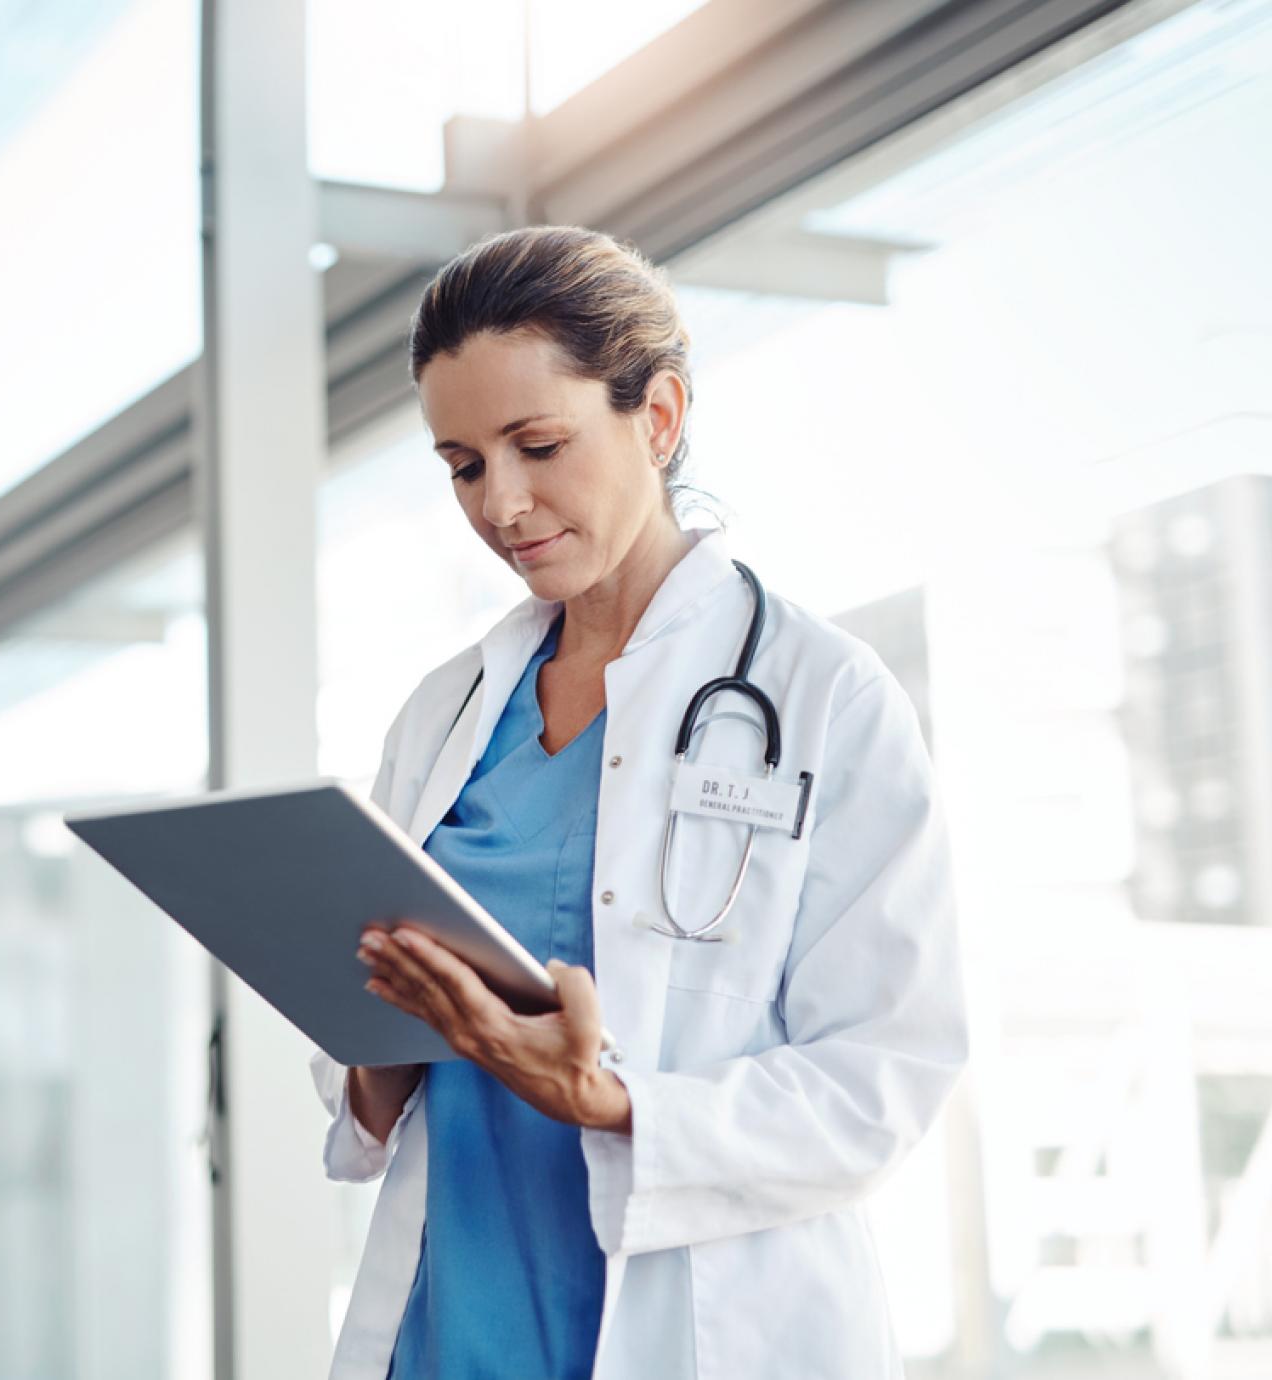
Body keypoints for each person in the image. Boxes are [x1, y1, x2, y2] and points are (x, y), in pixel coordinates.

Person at [308, 225, 969, 1378]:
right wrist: (384, 1046)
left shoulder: (820, 696)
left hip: (704, 1331)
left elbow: (884, 1076)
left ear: (656, 417)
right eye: (463, 465)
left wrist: (611, 1102)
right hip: (449, 1329)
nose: (501, 505)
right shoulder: (442, 714)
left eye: (537, 444)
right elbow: (372, 1069)